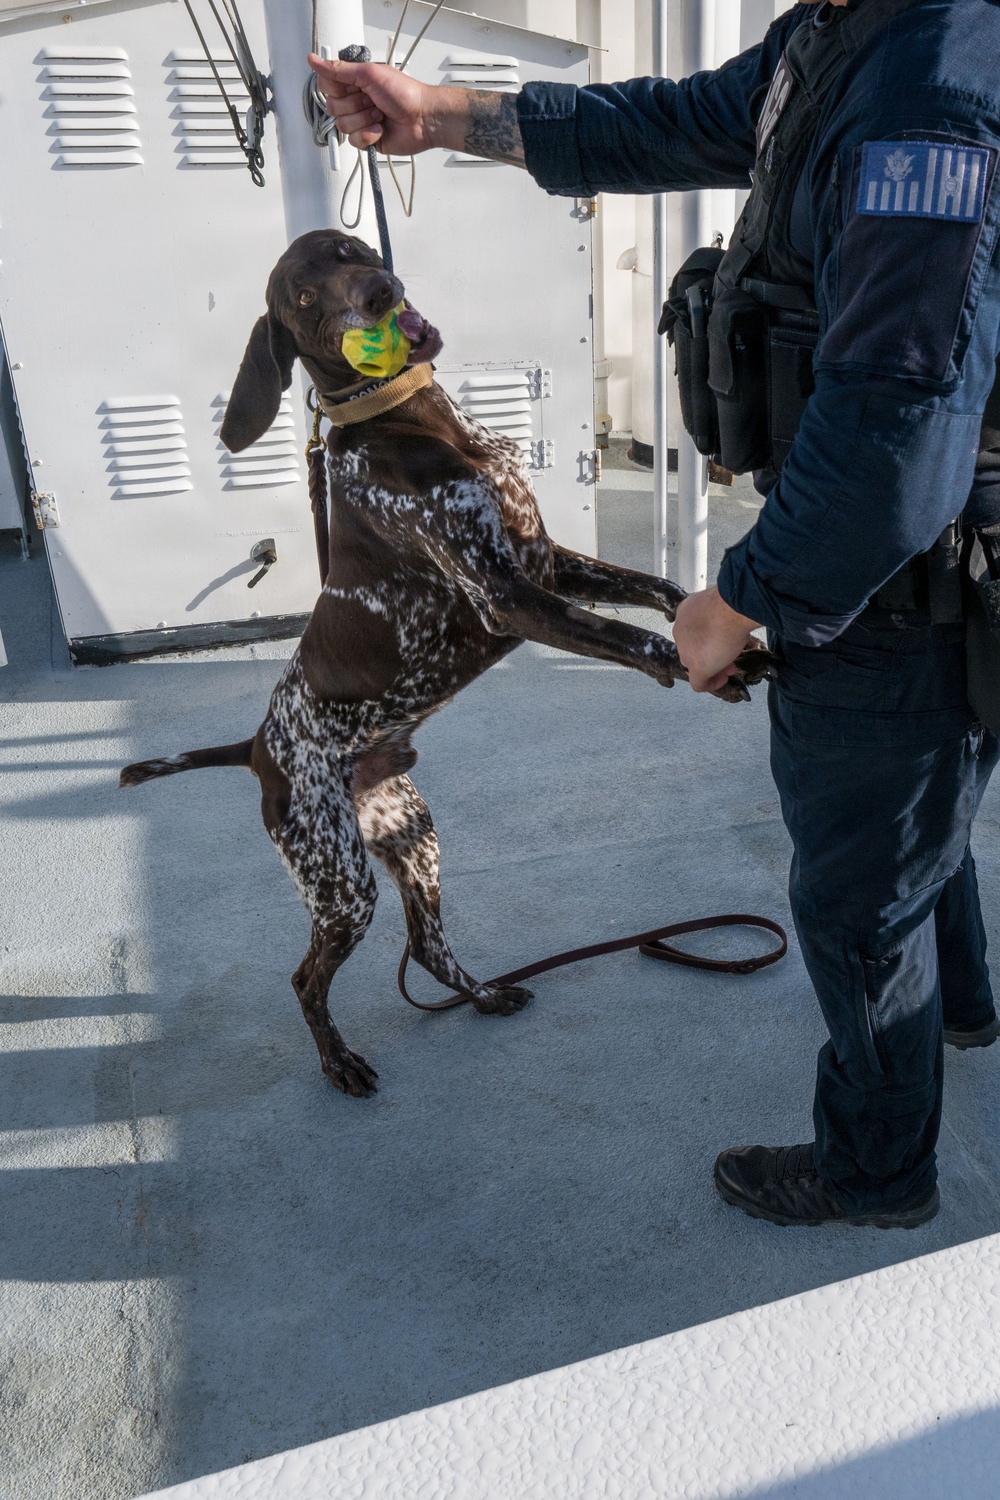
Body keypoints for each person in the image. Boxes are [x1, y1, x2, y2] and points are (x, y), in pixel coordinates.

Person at [310, 0, 1000, 1230]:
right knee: (914, 821)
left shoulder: (931, 94)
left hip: (899, 581)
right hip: (911, 562)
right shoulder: (843, 32)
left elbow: (893, 433)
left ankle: (876, 1171)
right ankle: (960, 1008)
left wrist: (741, 599)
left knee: (858, 894)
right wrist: (444, 116)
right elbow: (673, 121)